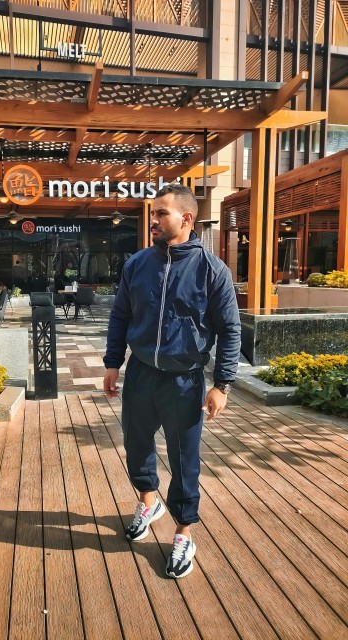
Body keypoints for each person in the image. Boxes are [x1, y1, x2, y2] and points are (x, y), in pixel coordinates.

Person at [103, 184, 241, 579]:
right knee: (136, 442)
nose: (154, 221)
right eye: (153, 214)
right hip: (141, 374)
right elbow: (120, 317)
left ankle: (183, 532)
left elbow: (230, 331)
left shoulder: (212, 270)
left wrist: (223, 384)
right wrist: (113, 363)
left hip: (186, 380)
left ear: (186, 218)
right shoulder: (137, 264)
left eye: (161, 214)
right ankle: (149, 500)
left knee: (184, 459)